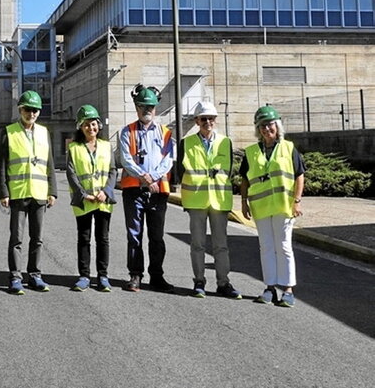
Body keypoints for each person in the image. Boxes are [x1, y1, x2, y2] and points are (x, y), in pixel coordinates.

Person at [240, 105, 305, 308]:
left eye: (269, 125)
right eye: (262, 126)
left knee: (284, 247)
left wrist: (297, 201)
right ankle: (269, 287)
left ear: (277, 126)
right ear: (257, 129)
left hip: (283, 206)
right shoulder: (251, 152)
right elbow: (244, 179)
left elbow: (299, 175)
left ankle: (287, 289)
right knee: (266, 247)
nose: (266, 129)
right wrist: (243, 202)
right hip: (261, 207)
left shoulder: (288, 148)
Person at [177, 101, 241, 299]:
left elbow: (228, 171)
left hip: (219, 201)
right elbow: (180, 172)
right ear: (196, 121)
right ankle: (199, 281)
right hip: (196, 200)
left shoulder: (225, 142)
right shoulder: (186, 143)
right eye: (203, 119)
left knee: (221, 245)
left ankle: (224, 283)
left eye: (210, 118)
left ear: (215, 120)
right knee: (197, 244)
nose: (207, 122)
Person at [0, 90, 57, 295]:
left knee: (37, 238)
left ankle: (35, 275)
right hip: (17, 193)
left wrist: (53, 191)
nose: (31, 113)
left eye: (35, 110)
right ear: (20, 110)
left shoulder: (43, 132)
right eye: (28, 109)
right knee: (17, 238)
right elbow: (2, 164)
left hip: (39, 193)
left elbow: (49, 164)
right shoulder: (9, 131)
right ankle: (15, 276)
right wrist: (3, 192)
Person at [118, 84, 175, 293]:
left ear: (156, 108)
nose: (147, 110)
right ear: (136, 107)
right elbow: (125, 159)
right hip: (134, 191)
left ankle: (157, 276)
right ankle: (135, 275)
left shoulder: (166, 133)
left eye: (150, 106)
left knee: (156, 236)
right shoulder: (127, 132)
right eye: (143, 106)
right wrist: (144, 177)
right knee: (134, 234)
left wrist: (154, 178)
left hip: (157, 192)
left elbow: (169, 160)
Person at [66, 104, 116, 293]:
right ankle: (84, 276)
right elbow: (71, 174)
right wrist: (83, 194)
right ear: (80, 126)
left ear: (99, 125)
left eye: (93, 124)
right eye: (86, 124)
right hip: (84, 201)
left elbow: (112, 171)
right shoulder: (74, 148)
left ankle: (103, 276)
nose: (90, 128)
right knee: (84, 238)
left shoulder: (106, 146)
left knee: (103, 238)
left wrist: (106, 191)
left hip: (103, 200)